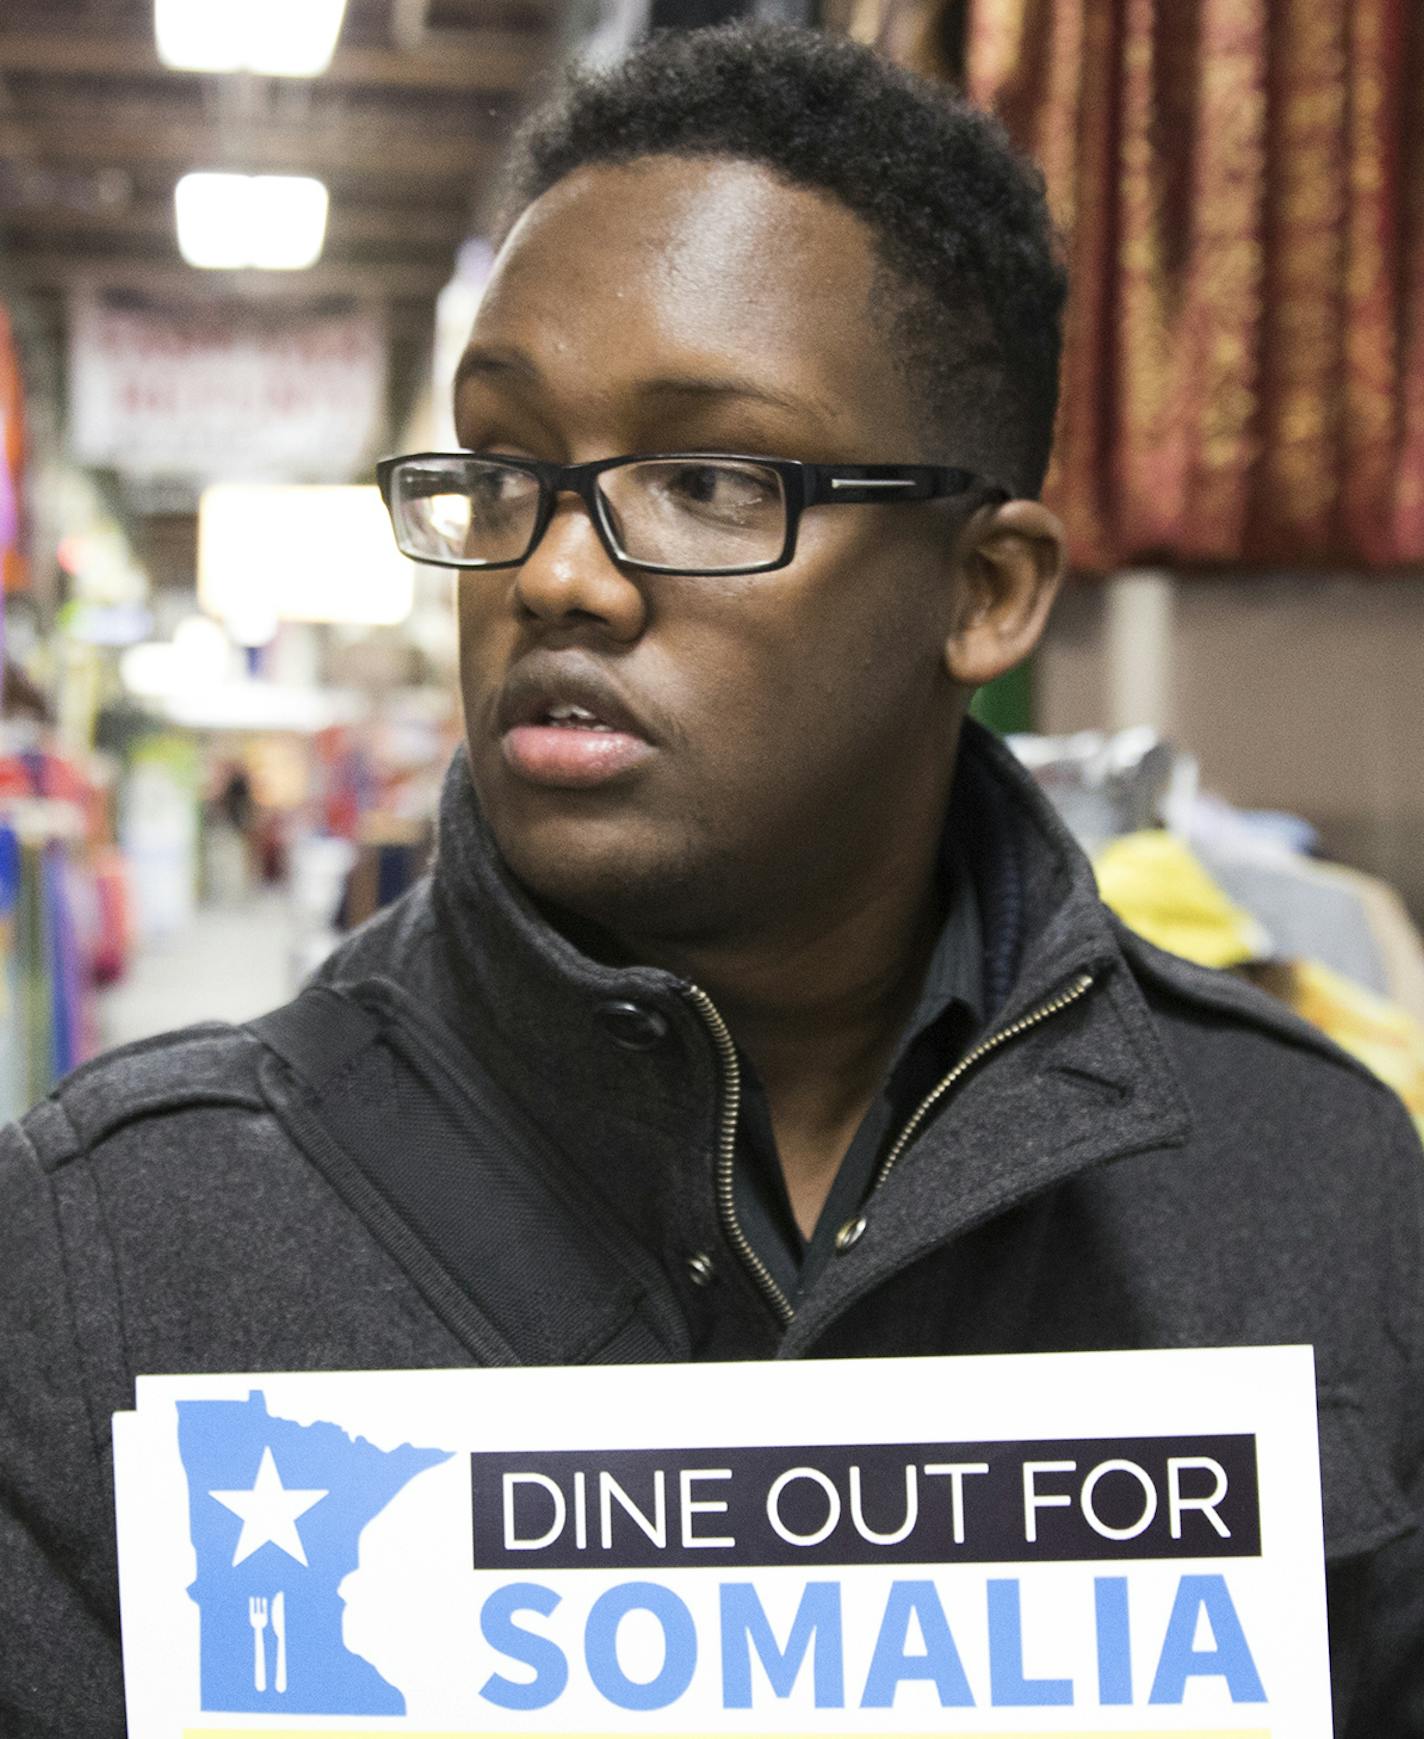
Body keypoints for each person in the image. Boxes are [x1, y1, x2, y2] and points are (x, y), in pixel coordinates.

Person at [1, 24, 1420, 1736]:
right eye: (507, 469)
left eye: (707, 480)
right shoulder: (110, 1255)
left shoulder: (1315, 1187)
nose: (560, 576)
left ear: (986, 589)